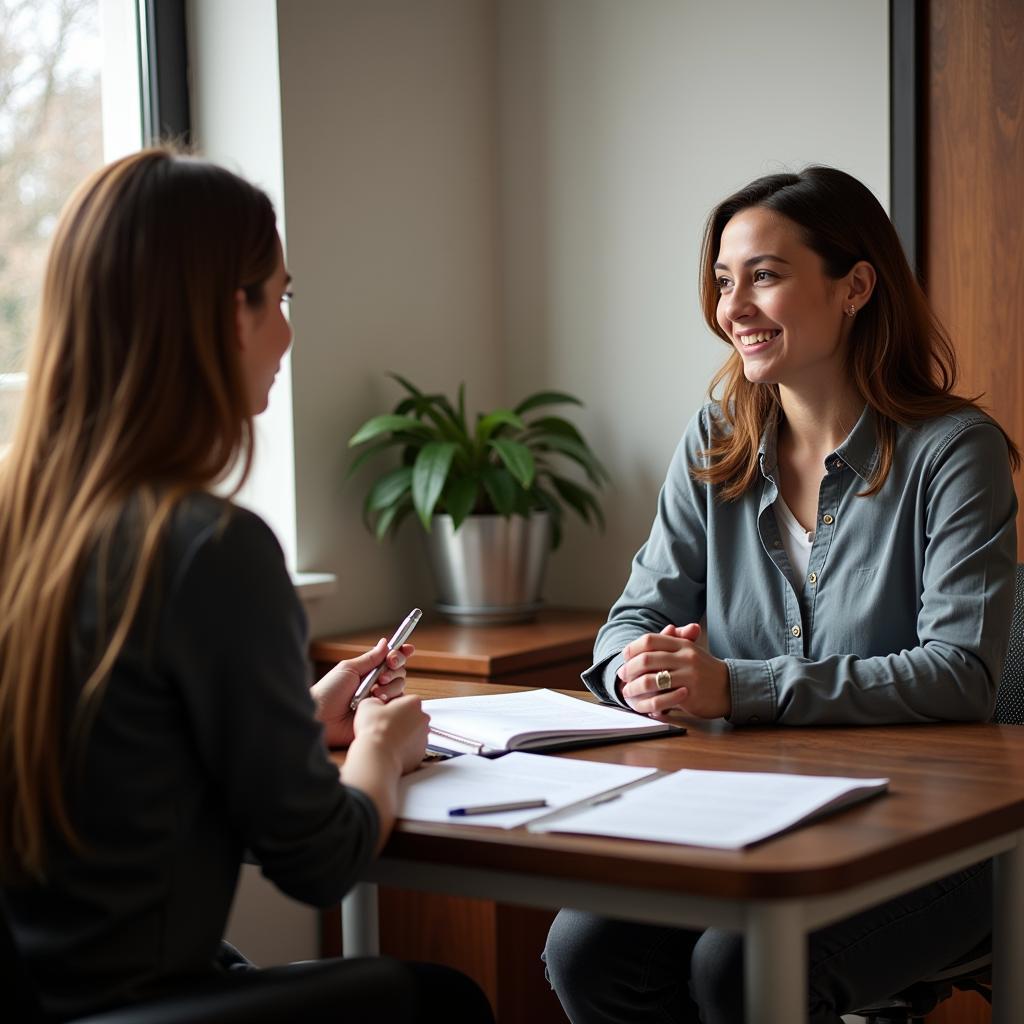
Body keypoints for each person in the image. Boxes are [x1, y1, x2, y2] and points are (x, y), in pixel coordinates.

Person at [0, 148, 493, 1024]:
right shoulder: (209, 548)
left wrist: (299, 718)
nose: (288, 333)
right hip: (138, 1001)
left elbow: (119, 760)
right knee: (441, 1003)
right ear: (233, 313)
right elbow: (319, 862)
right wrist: (383, 746)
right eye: (282, 297)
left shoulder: (25, 525)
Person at [543, 166, 1019, 1024]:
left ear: (855, 287)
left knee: (742, 967)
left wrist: (739, 686)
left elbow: (959, 674)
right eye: (725, 282)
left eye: (763, 275)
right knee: (589, 954)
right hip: (746, 810)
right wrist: (638, 672)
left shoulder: (955, 451)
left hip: (932, 832)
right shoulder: (718, 436)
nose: (733, 308)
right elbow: (630, 622)